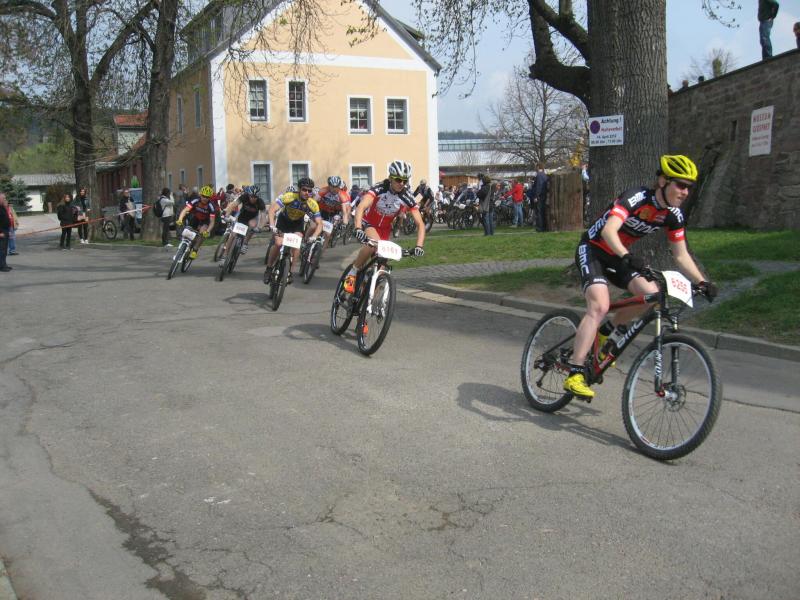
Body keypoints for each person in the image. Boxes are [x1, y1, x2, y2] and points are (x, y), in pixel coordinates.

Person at [563, 155, 718, 400]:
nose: (685, 192)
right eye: (681, 185)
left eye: (689, 187)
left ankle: (606, 333)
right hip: (594, 249)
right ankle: (575, 372)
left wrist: (702, 281)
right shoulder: (637, 197)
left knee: (651, 294)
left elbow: (680, 254)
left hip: (619, 256)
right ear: (663, 181)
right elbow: (609, 231)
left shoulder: (673, 214)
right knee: (599, 305)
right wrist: (628, 256)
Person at [344, 160, 425, 295]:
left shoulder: (406, 196)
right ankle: (353, 271)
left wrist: (419, 246)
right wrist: (358, 228)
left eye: (405, 181)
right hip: (369, 223)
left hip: (385, 230)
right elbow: (361, 207)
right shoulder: (380, 188)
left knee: (381, 269)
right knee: (373, 244)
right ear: (390, 178)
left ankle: (366, 298)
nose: (402, 183)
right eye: (398, 180)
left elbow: (420, 224)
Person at [265, 177, 322, 284]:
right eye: (304, 190)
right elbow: (272, 210)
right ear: (299, 189)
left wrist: (314, 236)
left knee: (296, 245)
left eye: (309, 191)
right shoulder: (289, 196)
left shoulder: (313, 204)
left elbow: (319, 223)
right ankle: (269, 268)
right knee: (278, 243)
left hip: (297, 224)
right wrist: (272, 225)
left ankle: (290, 272)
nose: (307, 193)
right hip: (283, 221)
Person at [219, 186, 265, 263]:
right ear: (249, 195)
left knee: (253, 226)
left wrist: (260, 227)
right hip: (242, 216)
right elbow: (233, 205)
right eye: (251, 196)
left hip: (253, 218)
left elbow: (263, 216)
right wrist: (227, 215)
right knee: (233, 235)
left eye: (255, 197)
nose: (253, 198)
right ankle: (225, 255)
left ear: (258, 197)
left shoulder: (260, 202)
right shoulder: (244, 197)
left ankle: (245, 243)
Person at [175, 185, 217, 259]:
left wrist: (208, 231)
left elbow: (212, 222)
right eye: (203, 196)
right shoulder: (196, 201)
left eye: (207, 197)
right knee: (187, 231)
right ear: (200, 195)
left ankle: (195, 250)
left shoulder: (211, 206)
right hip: (196, 218)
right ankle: (184, 246)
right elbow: (185, 210)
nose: (205, 198)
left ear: (210, 198)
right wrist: (180, 219)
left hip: (205, 221)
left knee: (202, 233)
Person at [316, 175, 352, 247]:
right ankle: (307, 240)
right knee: (313, 226)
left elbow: (345, 212)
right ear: (329, 186)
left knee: (329, 230)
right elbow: (314, 202)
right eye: (332, 186)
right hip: (323, 210)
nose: (334, 189)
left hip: (335, 212)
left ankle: (326, 244)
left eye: (336, 187)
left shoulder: (343, 195)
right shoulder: (323, 190)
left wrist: (345, 223)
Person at [532, 163, 549, 232]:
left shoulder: (539, 175)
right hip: (544, 195)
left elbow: (538, 186)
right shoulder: (544, 175)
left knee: (539, 212)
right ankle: (544, 227)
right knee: (542, 211)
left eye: (536, 167)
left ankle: (540, 227)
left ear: (538, 167)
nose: (535, 168)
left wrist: (536, 196)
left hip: (540, 196)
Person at [0, 193, 11, 271]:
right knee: (1, 250)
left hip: (5, 230)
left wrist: (8, 231)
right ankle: (2, 266)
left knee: (4, 250)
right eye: (3, 198)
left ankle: (4, 264)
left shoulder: (2, 207)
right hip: (1, 232)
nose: (5, 200)